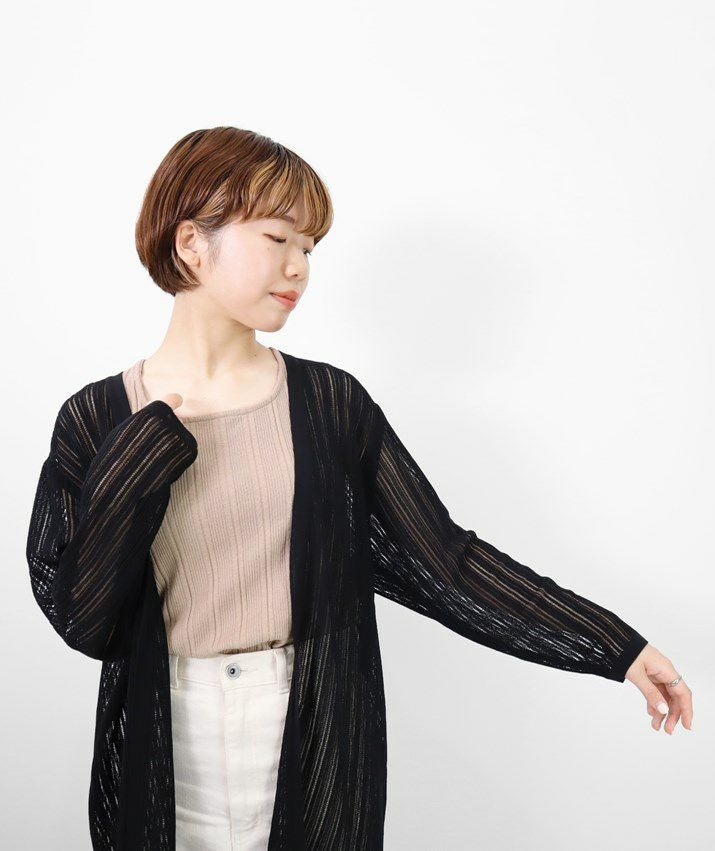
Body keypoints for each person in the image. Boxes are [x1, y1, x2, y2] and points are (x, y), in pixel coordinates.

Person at [27, 126, 693, 851]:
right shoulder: (98, 418)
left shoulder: (330, 405)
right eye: (277, 237)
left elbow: (446, 564)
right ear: (191, 243)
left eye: (310, 247)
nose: (299, 267)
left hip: (311, 728)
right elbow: (83, 619)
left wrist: (612, 646)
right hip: (168, 731)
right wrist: (136, 462)